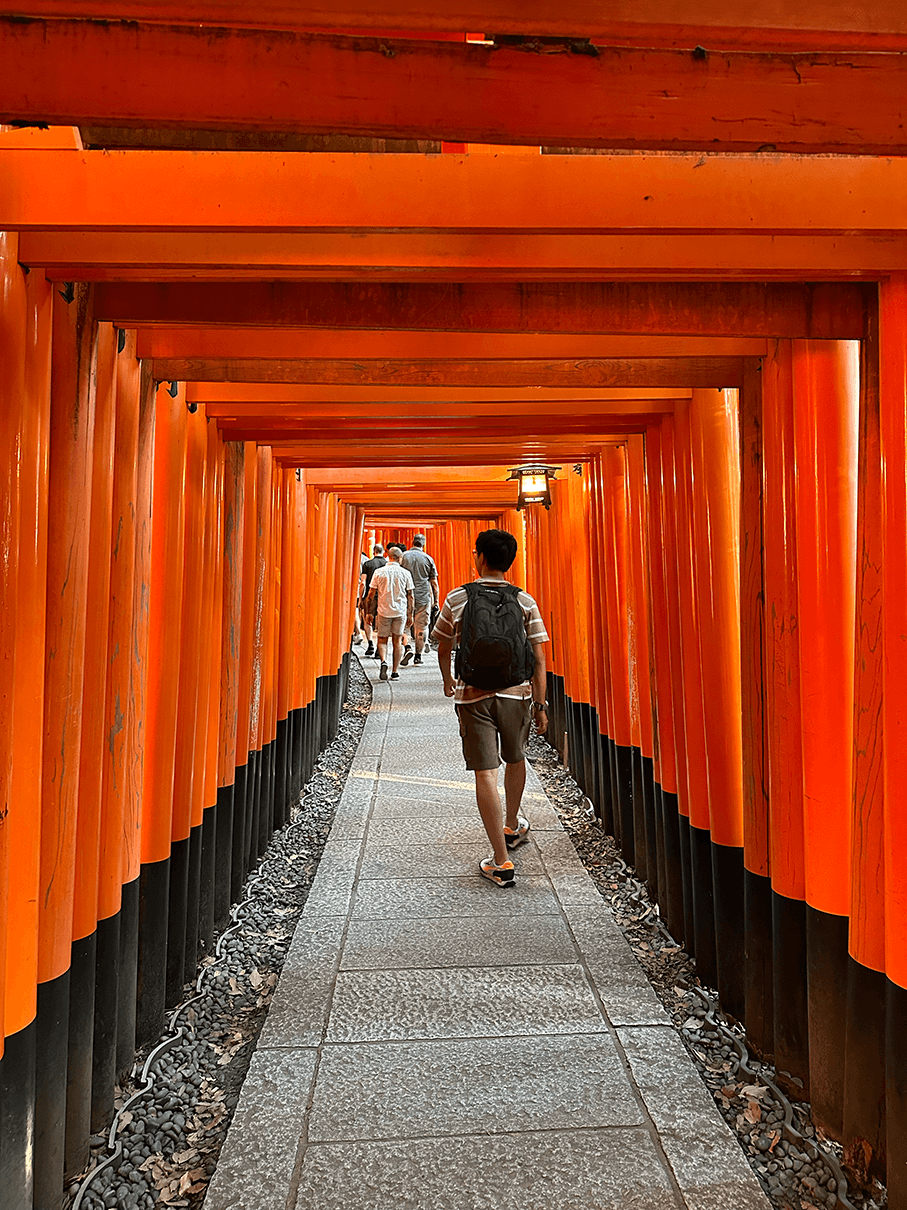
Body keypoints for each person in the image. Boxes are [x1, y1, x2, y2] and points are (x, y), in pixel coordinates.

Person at [432, 528, 549, 888]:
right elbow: (540, 658)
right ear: (509, 560)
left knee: (485, 773)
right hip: (517, 694)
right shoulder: (525, 601)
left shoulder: (457, 598)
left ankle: (501, 860)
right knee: (516, 758)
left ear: (479, 557)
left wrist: (448, 680)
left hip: (474, 695)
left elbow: (443, 642)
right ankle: (512, 824)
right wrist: (541, 705)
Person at [368, 546, 415, 681]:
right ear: (400, 558)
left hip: (383, 611)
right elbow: (410, 595)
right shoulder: (406, 573)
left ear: (388, 556)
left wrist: (369, 612)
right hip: (400, 612)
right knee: (397, 641)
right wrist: (410, 614)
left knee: (382, 640)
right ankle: (394, 672)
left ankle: (383, 662)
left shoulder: (379, 572)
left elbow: (371, 594)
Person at [400, 533, 439, 666]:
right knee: (421, 627)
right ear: (423, 544)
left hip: (405, 597)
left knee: (404, 626)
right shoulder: (428, 559)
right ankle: (418, 656)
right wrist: (436, 601)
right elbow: (434, 583)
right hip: (423, 597)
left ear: (412, 542)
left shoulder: (403, 556)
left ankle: (407, 647)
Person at [359, 543, 387, 657]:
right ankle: (379, 648)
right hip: (383, 596)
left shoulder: (367, 564)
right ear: (383, 552)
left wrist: (361, 598)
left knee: (367, 620)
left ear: (373, 552)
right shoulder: (387, 564)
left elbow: (362, 582)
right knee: (380, 622)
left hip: (370, 596)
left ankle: (370, 643)